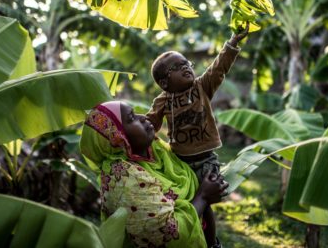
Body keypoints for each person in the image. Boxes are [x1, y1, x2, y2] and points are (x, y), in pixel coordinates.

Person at [146, 24, 249, 246]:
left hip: (205, 159)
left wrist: (232, 43)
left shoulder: (202, 87)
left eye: (187, 63)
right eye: (177, 66)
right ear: (164, 82)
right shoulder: (162, 101)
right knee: (189, 202)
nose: (186, 68)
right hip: (180, 162)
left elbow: (218, 68)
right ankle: (193, 237)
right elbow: (150, 126)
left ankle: (212, 243)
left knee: (207, 203)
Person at [80, 101, 229, 248]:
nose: (143, 117)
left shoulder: (157, 151)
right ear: (116, 137)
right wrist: (203, 197)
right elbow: (167, 234)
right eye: (132, 118)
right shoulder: (122, 178)